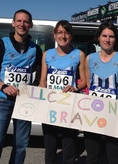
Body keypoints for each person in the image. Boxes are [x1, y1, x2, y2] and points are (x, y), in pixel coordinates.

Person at [0, 9, 42, 164]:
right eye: (19, 21)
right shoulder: (1, 44)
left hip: (24, 102)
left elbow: (40, 74)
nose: (22, 24)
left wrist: (34, 87)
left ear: (30, 25)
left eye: (25, 21)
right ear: (13, 23)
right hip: (3, 101)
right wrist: (3, 87)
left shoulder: (36, 49)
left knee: (21, 146)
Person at [39, 20, 86, 164]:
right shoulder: (47, 54)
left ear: (71, 36)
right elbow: (42, 80)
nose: (63, 36)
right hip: (51, 105)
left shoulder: (79, 54)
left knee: (69, 146)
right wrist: (44, 91)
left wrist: (75, 88)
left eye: (66, 32)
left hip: (69, 105)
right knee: (50, 146)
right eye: (60, 32)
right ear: (54, 35)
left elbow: (84, 81)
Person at [84, 21, 118, 164]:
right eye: (104, 36)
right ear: (98, 37)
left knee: (114, 156)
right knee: (92, 156)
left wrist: (117, 105)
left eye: (111, 36)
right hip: (93, 113)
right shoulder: (89, 58)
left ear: (115, 39)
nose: (107, 39)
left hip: (113, 113)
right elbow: (88, 84)